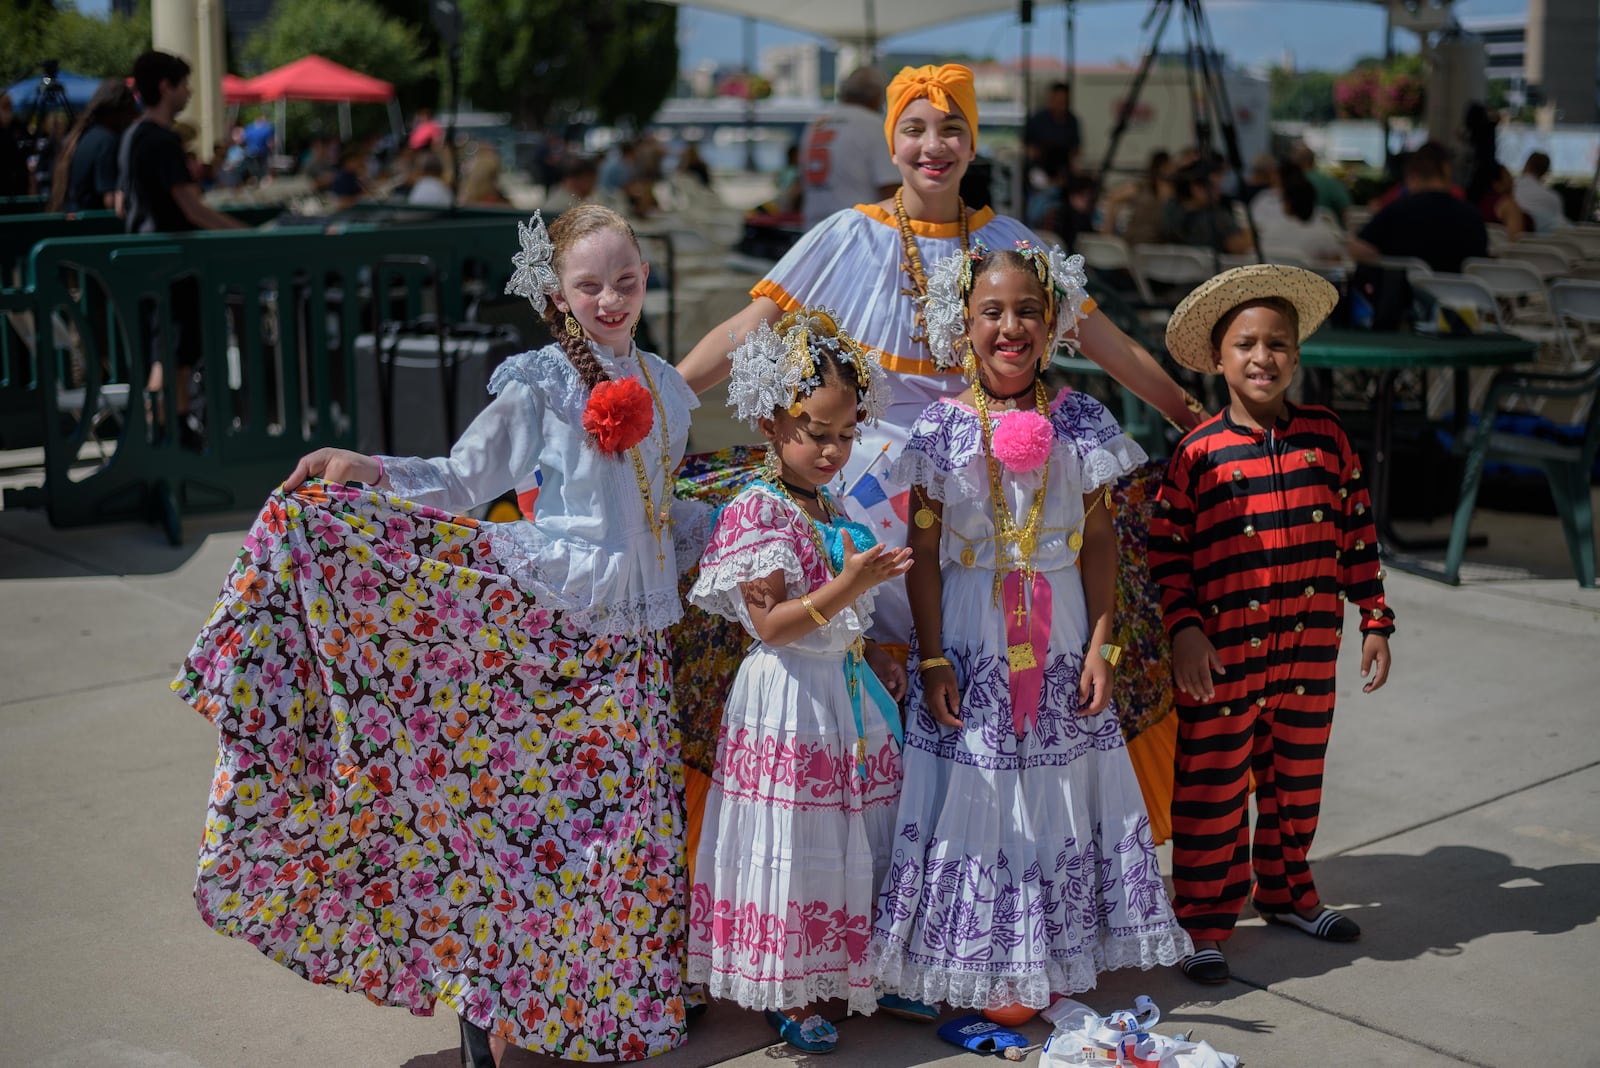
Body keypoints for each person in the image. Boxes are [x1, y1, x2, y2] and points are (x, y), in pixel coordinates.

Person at [171, 205, 700, 1065]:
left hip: (633, 648)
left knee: (623, 833)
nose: (612, 298)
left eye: (627, 280)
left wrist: (742, 524)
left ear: (646, 280)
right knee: (509, 818)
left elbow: (658, 512)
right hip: (546, 629)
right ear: (555, 294)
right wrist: (370, 473)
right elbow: (462, 480)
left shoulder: (668, 388)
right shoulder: (538, 384)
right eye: (590, 283)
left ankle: (609, 1004)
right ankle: (483, 1002)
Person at [677, 62, 1209, 648]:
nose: (934, 146)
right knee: (868, 656)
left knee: (975, 650)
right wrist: (664, 399)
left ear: (974, 142)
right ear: (892, 142)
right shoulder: (847, 236)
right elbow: (748, 329)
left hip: (981, 485)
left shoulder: (1008, 243)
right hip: (860, 485)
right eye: (914, 129)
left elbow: (1109, 344)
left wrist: (1188, 417)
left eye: (952, 128)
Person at [869, 242, 1190, 1010]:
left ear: (1053, 326)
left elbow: (1102, 539)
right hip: (972, 628)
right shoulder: (941, 430)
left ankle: (1054, 945)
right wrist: (935, 659)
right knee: (977, 780)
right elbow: (920, 543)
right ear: (962, 324)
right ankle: (977, 952)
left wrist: (1104, 644)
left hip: (1064, 625)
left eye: (1027, 313)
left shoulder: (1083, 419)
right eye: (991, 312)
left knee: (1057, 777)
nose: (1010, 327)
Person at [1148, 264, 1395, 985]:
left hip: (1309, 655)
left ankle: (1287, 894)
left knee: (1295, 781)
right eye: (1247, 344)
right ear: (1218, 359)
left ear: (1296, 354)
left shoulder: (1327, 435)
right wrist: (1185, 629)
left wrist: (1375, 616)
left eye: (1279, 344)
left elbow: (1357, 529)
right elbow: (1167, 551)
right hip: (1222, 661)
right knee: (1213, 789)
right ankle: (1204, 920)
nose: (1264, 357)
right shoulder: (1198, 454)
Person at [686, 309, 910, 1052]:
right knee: (794, 836)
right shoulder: (759, 508)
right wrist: (848, 586)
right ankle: (789, 987)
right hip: (788, 694)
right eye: (815, 432)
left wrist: (874, 650)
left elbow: (840, 610)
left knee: (851, 832)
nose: (832, 448)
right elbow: (771, 624)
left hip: (842, 690)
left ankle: (855, 969)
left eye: (845, 434)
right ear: (771, 423)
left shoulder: (831, 505)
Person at [119, 50, 246, 445]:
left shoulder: (131, 135)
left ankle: (174, 427)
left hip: (144, 259)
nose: (189, 92)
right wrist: (243, 233)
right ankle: (161, 436)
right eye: (184, 84)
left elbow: (124, 205)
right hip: (170, 263)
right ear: (165, 86)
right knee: (170, 352)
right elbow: (190, 206)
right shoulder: (161, 139)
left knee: (170, 353)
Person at [1349, 142, 1486, 273]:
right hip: (1461, 296)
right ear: (1446, 173)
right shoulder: (1473, 216)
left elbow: (1357, 249)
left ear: (1412, 176)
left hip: (1403, 295)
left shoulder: (1397, 211)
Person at [800, 66, 898, 231]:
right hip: (857, 230)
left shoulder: (816, 125)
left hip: (814, 229)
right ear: (878, 96)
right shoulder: (873, 125)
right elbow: (890, 189)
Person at [49, 78, 140, 212]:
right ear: (118, 112)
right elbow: (110, 200)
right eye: (129, 113)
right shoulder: (107, 142)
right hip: (94, 226)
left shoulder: (80, 137)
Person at [1161, 159, 1251, 254]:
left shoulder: (1169, 210)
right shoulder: (1217, 218)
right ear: (1196, 188)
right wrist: (1248, 231)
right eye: (1214, 187)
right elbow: (1239, 249)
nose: (1218, 193)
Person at [1257, 171, 1346, 265]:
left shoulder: (1268, 230)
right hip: (1305, 278)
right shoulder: (1323, 233)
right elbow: (1337, 267)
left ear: (1288, 204)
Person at [1024, 81, 1081, 185]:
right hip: (1040, 169)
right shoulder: (1038, 120)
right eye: (1058, 99)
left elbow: (1076, 149)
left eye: (1064, 100)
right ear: (1051, 99)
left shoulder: (1072, 120)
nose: (1061, 103)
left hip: (1064, 170)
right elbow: (1027, 147)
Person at [1289, 143, 1352, 224]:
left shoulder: (1287, 184)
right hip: (1327, 233)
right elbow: (1346, 210)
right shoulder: (1330, 182)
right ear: (1313, 160)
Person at [1512, 151, 1569, 233]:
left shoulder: (1508, 193)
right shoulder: (1553, 198)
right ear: (1545, 172)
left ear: (1526, 165)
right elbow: (1561, 228)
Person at [1478, 163, 1530, 239]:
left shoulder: (1481, 203)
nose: (1513, 181)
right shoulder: (1507, 204)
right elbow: (1516, 240)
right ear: (1496, 184)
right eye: (1508, 177)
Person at [0, 92, 31, 196]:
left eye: (10, 108)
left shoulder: (18, 126)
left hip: (19, 181)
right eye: (4, 108)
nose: (7, 112)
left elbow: (29, 146)